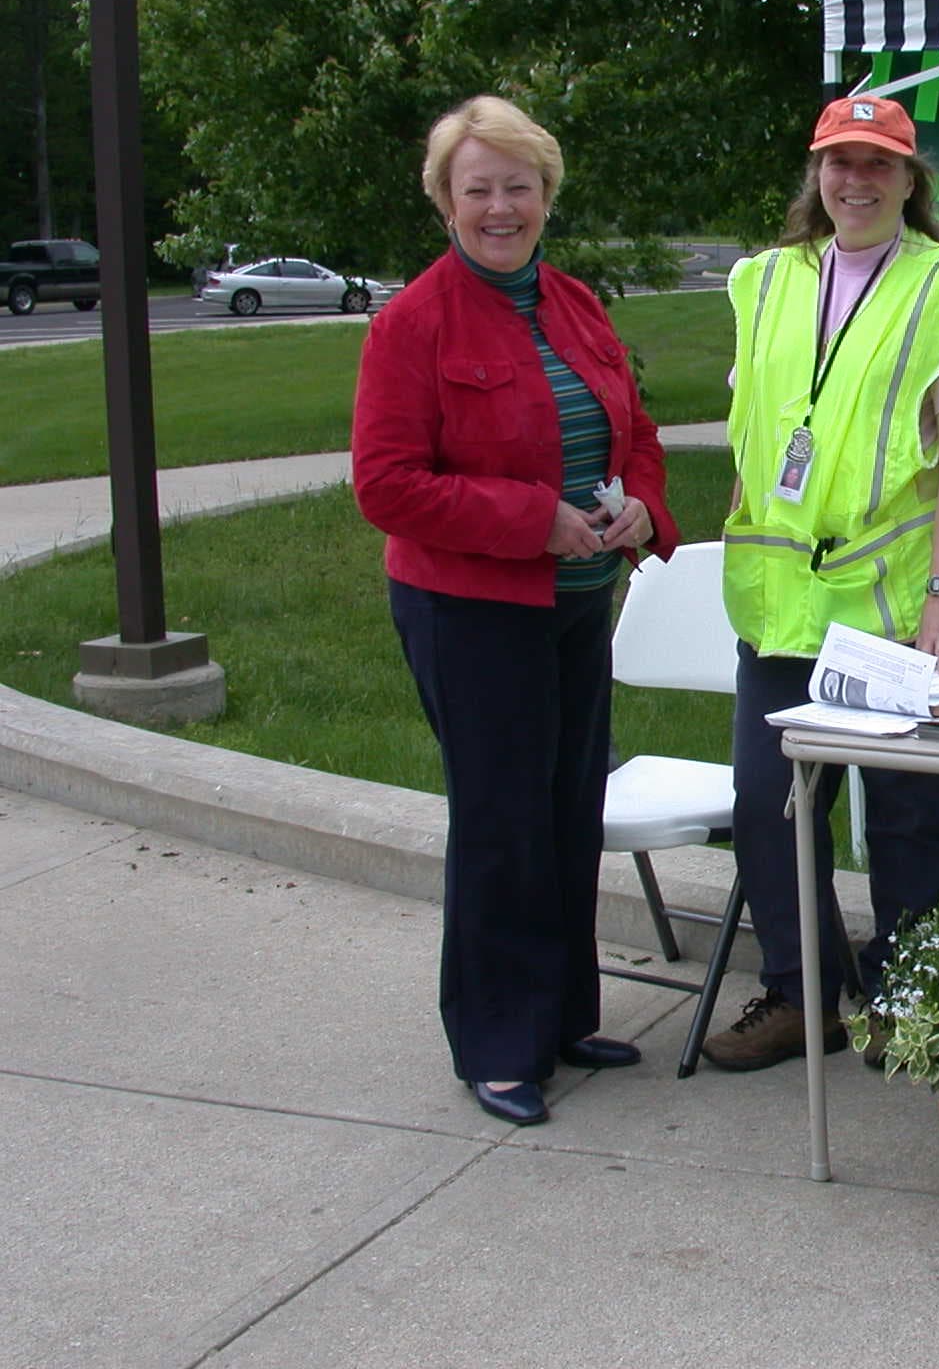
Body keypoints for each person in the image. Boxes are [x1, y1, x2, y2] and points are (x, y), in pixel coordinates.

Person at [352, 95, 680, 1127]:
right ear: (445, 200)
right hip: (470, 610)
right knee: (501, 824)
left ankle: (558, 1018)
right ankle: (496, 1045)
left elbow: (635, 430)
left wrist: (638, 506)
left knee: (566, 808)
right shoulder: (413, 322)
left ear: (546, 193)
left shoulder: (576, 302)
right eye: (477, 188)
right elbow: (387, 485)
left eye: (518, 186)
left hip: (577, 605)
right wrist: (528, 520)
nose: (500, 207)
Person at [705, 94, 939, 1072]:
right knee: (768, 805)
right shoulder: (763, 281)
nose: (856, 181)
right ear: (816, 173)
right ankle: (802, 995)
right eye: (839, 162)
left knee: (912, 818)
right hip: (784, 606)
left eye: (878, 165)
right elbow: (758, 432)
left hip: (907, 606)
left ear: (910, 181)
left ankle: (902, 999)